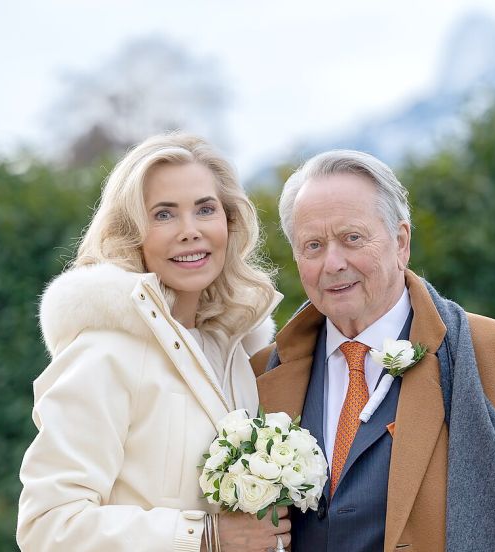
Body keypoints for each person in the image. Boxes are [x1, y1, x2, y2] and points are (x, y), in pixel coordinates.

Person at [250, 150, 495, 551]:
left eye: (352, 238)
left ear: (401, 242)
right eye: (313, 245)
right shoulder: (260, 373)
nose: (333, 262)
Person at [17, 133, 290, 551]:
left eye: (205, 209)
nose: (190, 231)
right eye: (164, 215)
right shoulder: (104, 352)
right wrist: (205, 538)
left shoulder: (235, 352)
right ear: (131, 234)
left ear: (229, 222)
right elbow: (48, 527)